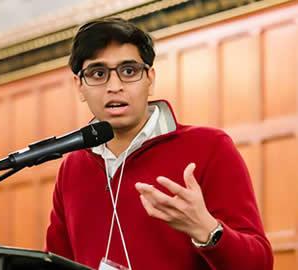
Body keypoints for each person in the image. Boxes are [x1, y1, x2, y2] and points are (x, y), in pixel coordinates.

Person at [45, 18, 273, 270]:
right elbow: (55, 262)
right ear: (80, 86)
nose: (114, 86)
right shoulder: (72, 166)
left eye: (129, 71)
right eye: (98, 73)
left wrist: (206, 230)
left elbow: (259, 264)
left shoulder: (210, 147)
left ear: (149, 79)